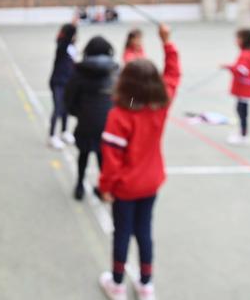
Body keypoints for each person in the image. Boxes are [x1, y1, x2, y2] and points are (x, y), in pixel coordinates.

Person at [97, 24, 181, 300]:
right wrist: (167, 43)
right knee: (144, 231)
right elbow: (173, 75)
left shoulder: (120, 115)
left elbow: (111, 161)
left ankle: (118, 283)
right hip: (151, 182)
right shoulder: (160, 105)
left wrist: (105, 186)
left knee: (122, 233)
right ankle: (146, 284)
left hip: (125, 187)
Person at [64, 36, 118, 201]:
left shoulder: (79, 72)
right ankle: (104, 189)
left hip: (86, 121)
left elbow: (68, 98)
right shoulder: (115, 72)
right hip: (108, 123)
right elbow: (128, 97)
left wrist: (79, 112)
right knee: (104, 157)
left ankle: (80, 185)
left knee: (84, 154)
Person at [221, 28, 250, 145]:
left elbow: (243, 70)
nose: (236, 41)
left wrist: (229, 67)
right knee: (240, 110)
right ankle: (242, 133)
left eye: (238, 38)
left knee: (243, 112)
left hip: (245, 90)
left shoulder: (247, 55)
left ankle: (243, 135)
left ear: (245, 40)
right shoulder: (246, 53)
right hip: (242, 90)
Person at [48, 21, 77, 149]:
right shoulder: (62, 46)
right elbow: (64, 41)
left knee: (66, 109)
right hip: (58, 82)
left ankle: (64, 131)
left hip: (68, 82)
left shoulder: (72, 48)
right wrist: (72, 26)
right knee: (58, 108)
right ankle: (52, 135)